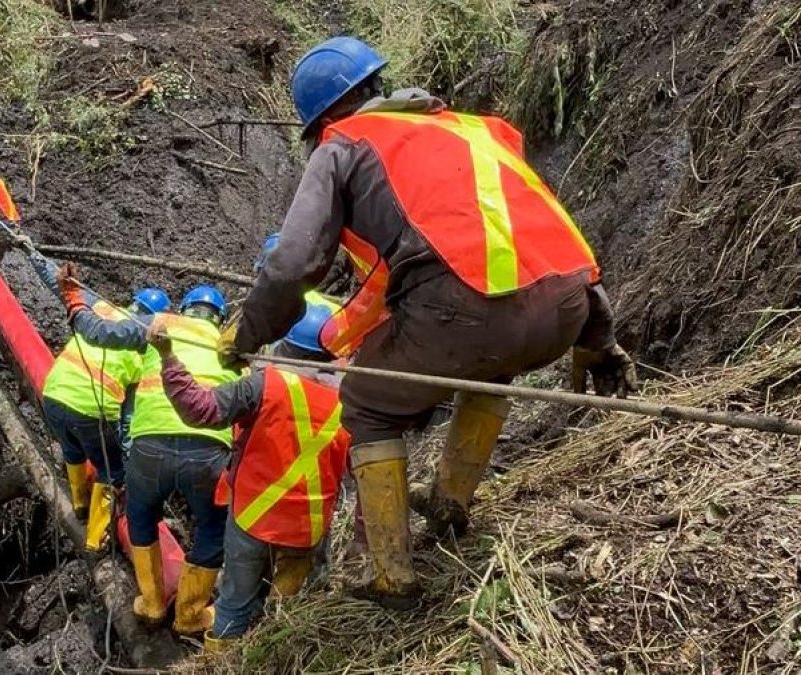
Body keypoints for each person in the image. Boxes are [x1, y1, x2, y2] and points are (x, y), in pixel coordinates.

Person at [218, 36, 637, 610]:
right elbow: (537, 232)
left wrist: (248, 333)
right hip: (574, 307)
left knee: (366, 400)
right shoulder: (474, 128)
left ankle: (391, 573)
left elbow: (291, 264)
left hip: (467, 313)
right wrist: (601, 338)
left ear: (321, 120)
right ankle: (449, 501)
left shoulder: (341, 146)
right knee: (491, 366)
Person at [146, 303, 350, 652]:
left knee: (234, 604)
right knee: (288, 608)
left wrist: (168, 358)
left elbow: (199, 409)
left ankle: (220, 661)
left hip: (254, 517)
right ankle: (272, 656)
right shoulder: (352, 401)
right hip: (307, 528)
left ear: (285, 346)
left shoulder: (265, 385)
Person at [58, 268, 241, 634]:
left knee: (140, 516)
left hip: (149, 447)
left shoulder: (160, 323)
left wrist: (73, 298)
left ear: (185, 308)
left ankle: (153, 604)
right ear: (217, 317)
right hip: (208, 452)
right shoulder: (231, 343)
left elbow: (96, 332)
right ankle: (190, 615)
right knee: (212, 526)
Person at [42, 286, 171, 553]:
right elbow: (127, 418)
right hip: (92, 411)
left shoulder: (102, 309)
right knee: (111, 470)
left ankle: (79, 503)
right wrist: (127, 454)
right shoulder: (141, 350)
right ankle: (96, 537)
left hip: (52, 395)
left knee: (72, 448)